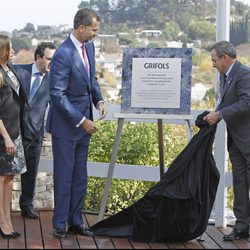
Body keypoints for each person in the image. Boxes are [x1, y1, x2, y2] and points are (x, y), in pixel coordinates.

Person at [46, 8, 107, 238]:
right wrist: (82, 121)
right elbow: (57, 95)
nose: (95, 35)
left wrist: (98, 99)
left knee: (80, 175)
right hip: (67, 126)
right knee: (64, 175)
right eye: (94, 30)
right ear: (81, 28)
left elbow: (91, 79)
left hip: (84, 126)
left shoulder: (88, 47)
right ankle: (60, 225)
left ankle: (75, 220)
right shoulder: (62, 54)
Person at [203, 40, 250, 241]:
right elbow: (227, 102)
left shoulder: (245, 74)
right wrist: (214, 113)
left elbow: (247, 103)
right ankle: (241, 227)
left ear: (225, 58)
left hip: (247, 139)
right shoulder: (225, 75)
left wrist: (220, 114)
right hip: (236, 141)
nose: (212, 64)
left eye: (214, 60)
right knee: (239, 184)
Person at [14, 42, 56, 219]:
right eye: (48, 58)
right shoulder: (18, 71)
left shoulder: (53, 80)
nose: (51, 63)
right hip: (13, 132)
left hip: (35, 134)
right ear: (38, 57)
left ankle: (26, 205)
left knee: (30, 172)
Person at [0, 34, 26, 238]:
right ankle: (2, 222)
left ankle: (7, 218)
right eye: (11, 48)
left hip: (15, 130)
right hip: (3, 135)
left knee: (9, 177)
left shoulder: (11, 69)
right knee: (1, 178)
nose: (14, 51)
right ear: (3, 50)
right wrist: (7, 138)